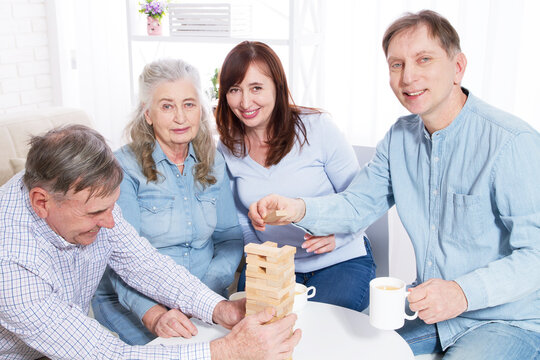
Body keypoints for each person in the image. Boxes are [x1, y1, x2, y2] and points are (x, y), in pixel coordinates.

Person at [247, 10, 540, 359]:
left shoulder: (511, 141)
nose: (408, 77)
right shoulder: (400, 138)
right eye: (396, 64)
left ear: (458, 67)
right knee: (337, 352)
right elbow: (357, 205)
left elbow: (535, 255)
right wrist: (297, 208)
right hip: (428, 314)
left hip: (506, 320)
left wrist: (461, 292)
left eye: (424, 59)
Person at [0, 124, 301, 360]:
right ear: (41, 203)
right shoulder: (10, 262)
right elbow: (108, 355)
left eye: (111, 207)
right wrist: (226, 352)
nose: (110, 223)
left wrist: (220, 308)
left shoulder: (78, 191)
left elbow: (143, 263)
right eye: (96, 213)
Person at [92, 58, 244, 345]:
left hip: (203, 297)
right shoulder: (122, 168)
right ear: (147, 114)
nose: (180, 118)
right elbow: (119, 259)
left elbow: (229, 238)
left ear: (200, 110)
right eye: (167, 106)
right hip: (137, 304)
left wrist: (204, 293)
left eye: (189, 104)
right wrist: (154, 314)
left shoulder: (214, 163)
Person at [215, 41, 376, 312]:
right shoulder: (228, 146)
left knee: (316, 334)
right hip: (272, 265)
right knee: (257, 332)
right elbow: (242, 216)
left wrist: (340, 238)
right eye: (235, 89)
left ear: (277, 87)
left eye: (256, 88)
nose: (245, 102)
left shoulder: (318, 129)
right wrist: (261, 256)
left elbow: (361, 200)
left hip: (339, 261)